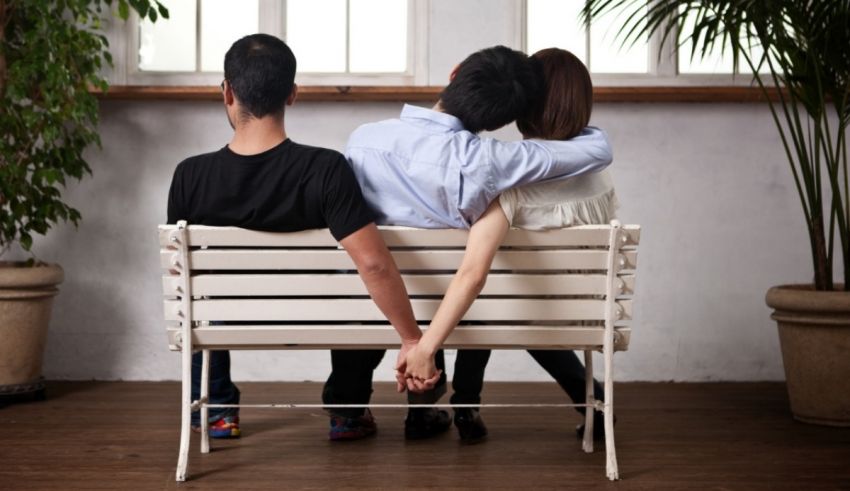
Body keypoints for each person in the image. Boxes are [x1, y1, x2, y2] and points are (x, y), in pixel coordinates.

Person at [166, 34, 437, 441]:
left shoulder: (190, 175)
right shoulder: (327, 169)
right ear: (292, 94)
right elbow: (373, 263)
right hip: (317, 312)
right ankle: (346, 412)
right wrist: (412, 338)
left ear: (228, 92)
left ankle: (217, 411)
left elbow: (179, 273)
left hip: (229, 315)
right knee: (359, 294)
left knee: (201, 297)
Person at [343, 46, 613, 442]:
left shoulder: (363, 140)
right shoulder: (492, 162)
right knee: (484, 298)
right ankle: (457, 404)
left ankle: (358, 410)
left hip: (379, 296)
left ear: (454, 72)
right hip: (529, 306)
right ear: (502, 119)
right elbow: (598, 149)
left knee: (415, 285)